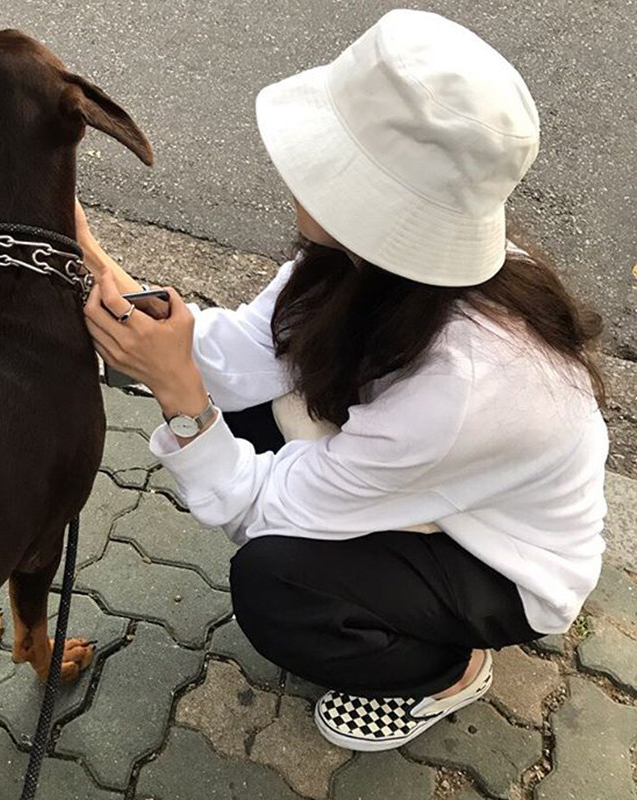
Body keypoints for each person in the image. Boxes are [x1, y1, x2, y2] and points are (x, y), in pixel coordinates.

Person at [78, 9, 608, 751]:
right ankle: (390, 576)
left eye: (325, 155)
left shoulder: (468, 384)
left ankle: (448, 670)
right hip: (430, 475)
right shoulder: (370, 261)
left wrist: (180, 398)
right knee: (250, 408)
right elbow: (250, 351)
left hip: (502, 561)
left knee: (277, 586)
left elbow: (258, 514)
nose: (294, 165)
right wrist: (98, 267)